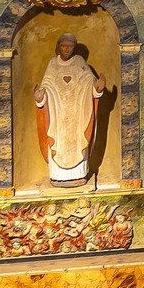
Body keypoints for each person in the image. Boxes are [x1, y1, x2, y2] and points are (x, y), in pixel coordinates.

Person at [34, 34, 106, 184]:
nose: (67, 49)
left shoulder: (79, 62)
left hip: (77, 114)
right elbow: (47, 86)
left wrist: (97, 88)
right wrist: (41, 97)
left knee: (78, 141)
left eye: (70, 46)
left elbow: (88, 83)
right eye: (64, 45)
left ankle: (78, 176)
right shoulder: (53, 64)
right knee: (58, 143)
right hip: (58, 115)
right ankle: (58, 176)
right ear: (58, 46)